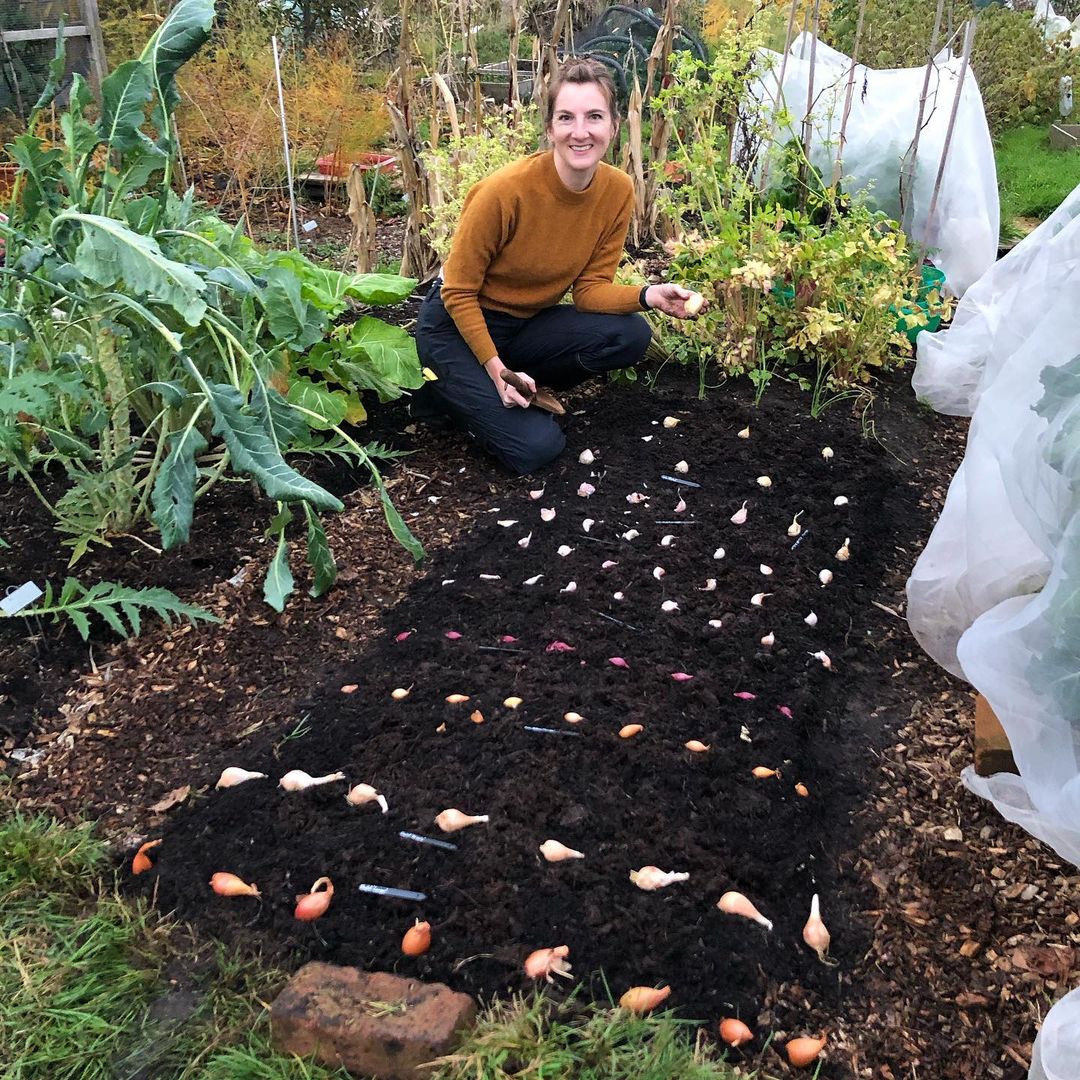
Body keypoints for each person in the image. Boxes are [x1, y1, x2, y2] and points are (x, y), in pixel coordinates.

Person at [414, 57, 702, 476]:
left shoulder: (617, 191)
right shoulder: (503, 192)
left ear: (614, 126)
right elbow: (457, 292)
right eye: (566, 117)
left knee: (630, 335)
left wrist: (649, 295)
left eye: (594, 116)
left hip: (523, 325)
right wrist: (497, 370)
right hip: (455, 326)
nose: (580, 132)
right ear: (550, 128)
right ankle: (451, 392)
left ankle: (483, 390)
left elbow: (590, 290)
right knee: (536, 447)